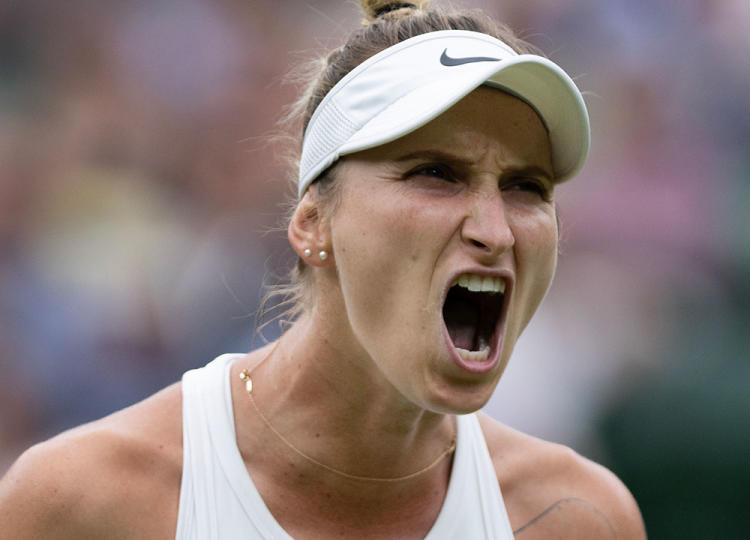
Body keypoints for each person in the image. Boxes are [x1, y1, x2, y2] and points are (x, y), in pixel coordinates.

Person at [0, 1, 646, 538]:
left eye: (526, 186)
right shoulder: (83, 502)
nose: (494, 228)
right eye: (435, 173)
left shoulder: (579, 518)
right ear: (312, 223)